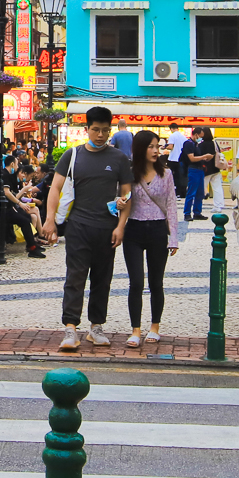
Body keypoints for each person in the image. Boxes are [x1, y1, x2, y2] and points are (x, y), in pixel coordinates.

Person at [41, 104, 134, 351]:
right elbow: (55, 188)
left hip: (107, 227)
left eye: (105, 130)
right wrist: (50, 219)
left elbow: (127, 194)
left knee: (102, 279)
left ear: (110, 130)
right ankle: (70, 328)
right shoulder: (72, 155)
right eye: (95, 130)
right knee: (75, 277)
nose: (100, 135)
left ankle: (96, 327)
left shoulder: (119, 159)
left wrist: (121, 226)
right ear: (87, 129)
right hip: (78, 226)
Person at [121, 130, 184, 349]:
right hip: (134, 230)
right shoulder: (130, 173)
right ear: (140, 149)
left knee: (156, 282)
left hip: (157, 229)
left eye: (158, 146)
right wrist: (118, 204)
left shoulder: (166, 174)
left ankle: (155, 326)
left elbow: (171, 205)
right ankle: (135, 330)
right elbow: (121, 198)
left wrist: (173, 237)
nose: (156, 150)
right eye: (151, 147)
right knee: (136, 282)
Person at [181, 126, 217, 222]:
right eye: (200, 136)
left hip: (200, 169)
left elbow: (197, 157)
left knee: (200, 193)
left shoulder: (196, 144)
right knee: (191, 192)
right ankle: (187, 213)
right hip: (193, 169)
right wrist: (204, 156)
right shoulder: (188, 144)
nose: (201, 138)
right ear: (196, 134)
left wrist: (205, 158)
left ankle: (197, 212)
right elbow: (192, 158)